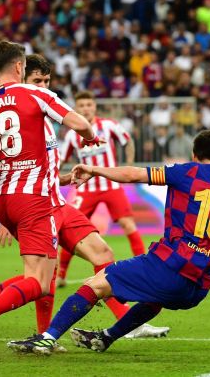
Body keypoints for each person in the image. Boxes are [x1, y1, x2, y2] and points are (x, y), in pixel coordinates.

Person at [0, 55, 168, 344]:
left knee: (102, 255)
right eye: (37, 80)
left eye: (46, 81)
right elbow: (13, 164)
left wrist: (64, 179)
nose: (42, 85)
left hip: (56, 203)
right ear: (22, 78)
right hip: (36, 204)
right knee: (41, 281)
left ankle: (126, 322)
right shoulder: (27, 107)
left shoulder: (46, 121)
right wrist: (11, 218)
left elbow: (43, 166)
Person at [8, 130, 210, 354]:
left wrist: (95, 169)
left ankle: (48, 338)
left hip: (170, 267)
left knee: (96, 283)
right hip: (198, 289)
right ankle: (106, 338)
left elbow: (134, 175)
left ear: (194, 156)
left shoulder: (187, 172)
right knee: (154, 299)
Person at [0, 41, 99, 358]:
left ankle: (40, 336)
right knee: (38, 282)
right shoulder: (36, 94)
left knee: (42, 275)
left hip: (2, 200)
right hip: (34, 199)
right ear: (20, 67)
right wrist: (91, 136)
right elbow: (81, 124)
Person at [58, 91, 145, 287]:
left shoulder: (108, 125)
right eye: (82, 105)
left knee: (128, 224)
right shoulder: (73, 135)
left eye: (89, 104)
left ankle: (145, 268)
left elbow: (127, 140)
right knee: (72, 230)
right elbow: (60, 160)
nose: (86, 108)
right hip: (86, 187)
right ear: (77, 109)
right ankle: (61, 275)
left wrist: (129, 165)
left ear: (94, 106)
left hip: (111, 185)